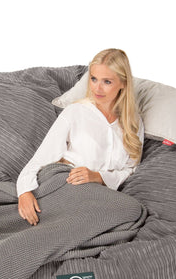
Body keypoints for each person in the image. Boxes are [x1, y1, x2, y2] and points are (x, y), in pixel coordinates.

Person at [17, 48, 144, 226]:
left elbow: (130, 169)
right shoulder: (75, 112)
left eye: (107, 81)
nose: (97, 88)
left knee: (131, 210)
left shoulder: (133, 123)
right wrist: (24, 191)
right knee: (126, 211)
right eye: (93, 79)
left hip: (98, 192)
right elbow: (42, 157)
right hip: (66, 179)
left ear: (123, 83)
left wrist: (98, 177)